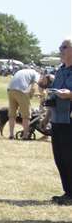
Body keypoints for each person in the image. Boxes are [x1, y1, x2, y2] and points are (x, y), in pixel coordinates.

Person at [47, 39, 72, 205]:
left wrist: (70, 94)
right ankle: (68, 192)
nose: (60, 50)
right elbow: (53, 95)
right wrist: (45, 118)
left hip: (69, 120)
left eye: (64, 47)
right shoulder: (61, 70)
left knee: (69, 158)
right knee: (60, 158)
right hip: (57, 119)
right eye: (60, 47)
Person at [5, 65, 41, 140]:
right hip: (21, 91)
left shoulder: (20, 71)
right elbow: (34, 86)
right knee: (26, 115)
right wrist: (30, 96)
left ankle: (11, 134)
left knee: (12, 115)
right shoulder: (36, 74)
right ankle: (25, 136)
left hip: (10, 90)